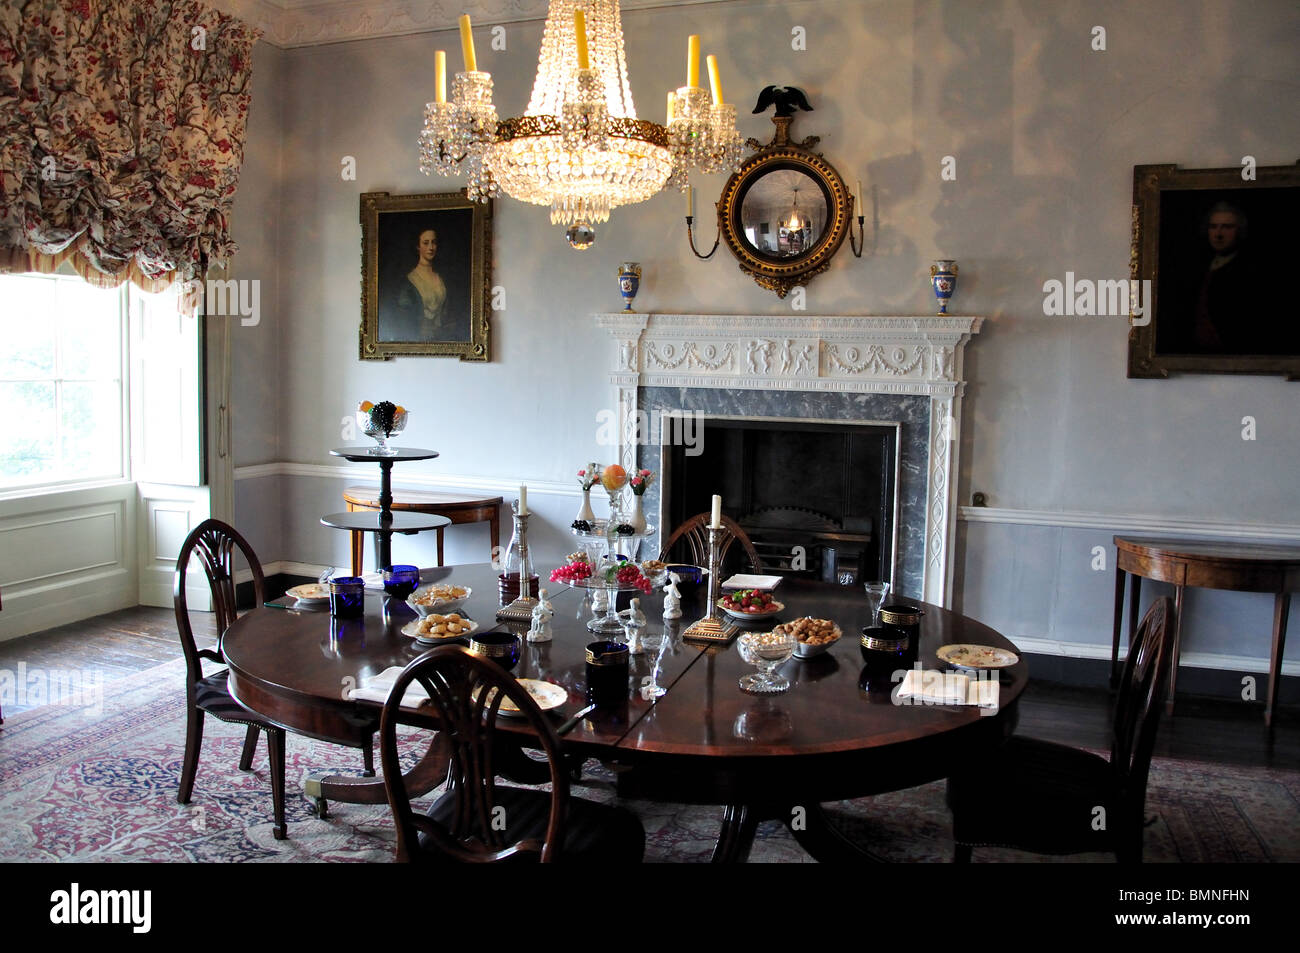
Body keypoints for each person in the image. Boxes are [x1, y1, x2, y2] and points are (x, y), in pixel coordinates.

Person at [1186, 202, 1264, 354]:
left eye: (1227, 227)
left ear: (1239, 231)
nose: (1219, 234)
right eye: (1213, 227)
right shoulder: (1198, 267)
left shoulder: (1249, 271)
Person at [381, 227, 464, 342]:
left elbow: (449, 315)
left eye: (433, 243)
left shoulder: (441, 278)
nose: (431, 247)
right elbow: (404, 320)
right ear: (418, 247)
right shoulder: (409, 281)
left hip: (442, 341)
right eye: (425, 243)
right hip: (418, 341)